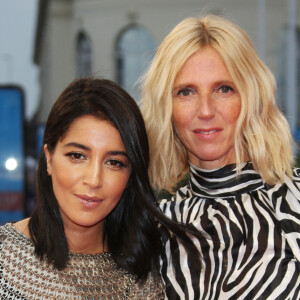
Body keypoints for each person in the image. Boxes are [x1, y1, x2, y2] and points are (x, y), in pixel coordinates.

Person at [141, 15, 300, 300]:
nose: (205, 110)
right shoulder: (153, 227)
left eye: (223, 89)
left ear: (252, 97)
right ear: (167, 108)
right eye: (186, 92)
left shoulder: (294, 201)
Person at [0, 78, 200, 299]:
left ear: (130, 175)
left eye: (114, 162)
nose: (94, 180)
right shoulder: (4, 257)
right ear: (49, 158)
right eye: (77, 156)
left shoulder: (147, 280)